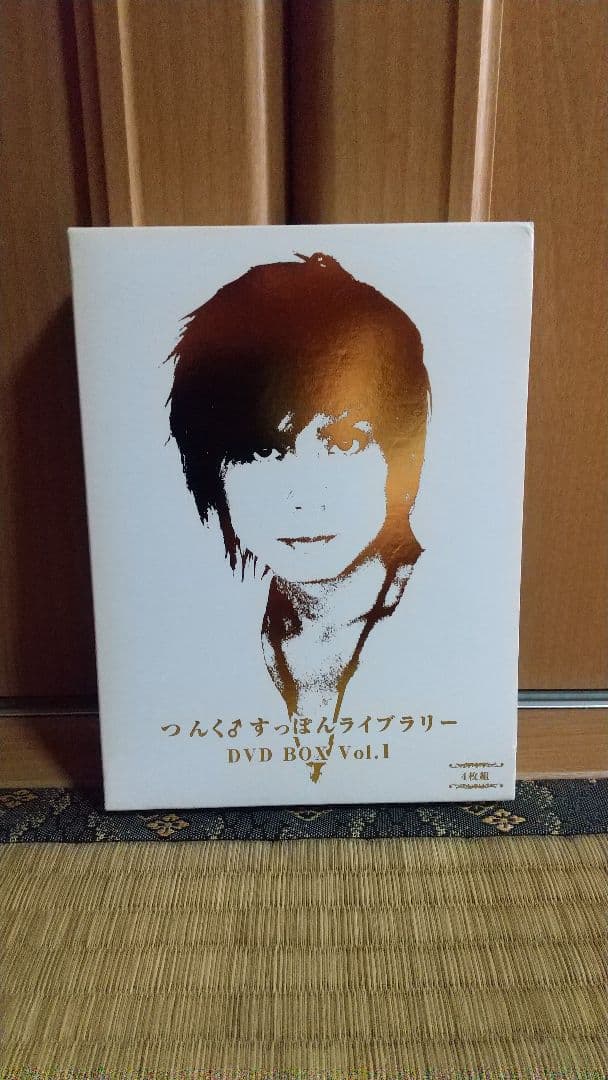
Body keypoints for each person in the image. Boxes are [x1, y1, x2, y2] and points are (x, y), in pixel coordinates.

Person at [166, 252, 431, 725]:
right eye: (263, 451)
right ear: (212, 471)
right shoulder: (202, 639)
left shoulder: (448, 612)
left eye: (345, 442)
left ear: (401, 456)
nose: (305, 498)